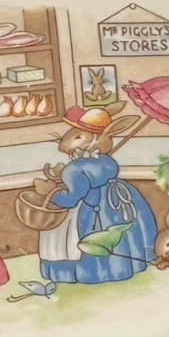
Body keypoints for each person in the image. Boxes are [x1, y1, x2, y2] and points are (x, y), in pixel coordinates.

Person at [38, 106, 158, 285]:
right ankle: (122, 267)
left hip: (92, 207)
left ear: (95, 139)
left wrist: (49, 191)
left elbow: (70, 199)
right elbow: (93, 174)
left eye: (78, 137)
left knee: (88, 235)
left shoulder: (75, 169)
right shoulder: (106, 161)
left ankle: (94, 273)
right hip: (116, 201)